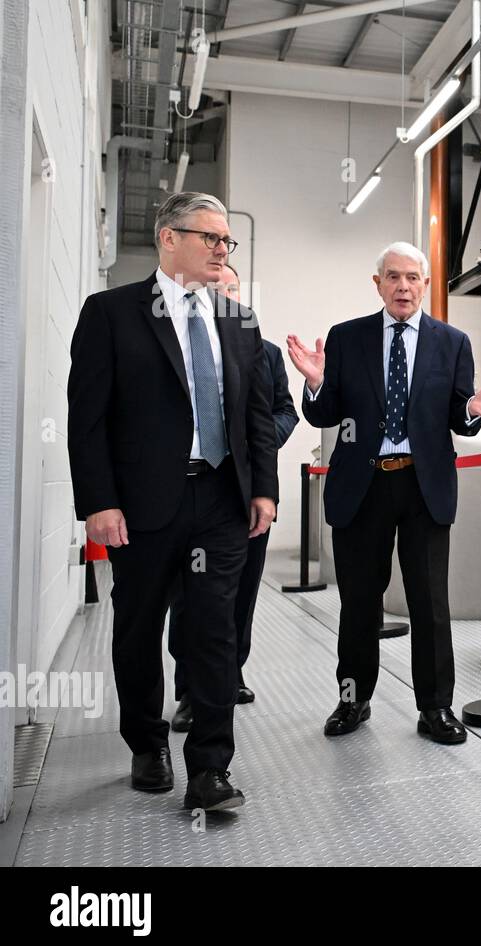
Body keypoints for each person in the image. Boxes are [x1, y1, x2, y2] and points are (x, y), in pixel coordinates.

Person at [68, 192, 278, 812]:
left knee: (215, 630)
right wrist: (98, 502)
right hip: (141, 503)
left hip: (220, 498)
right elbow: (88, 419)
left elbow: (257, 415)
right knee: (137, 629)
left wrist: (262, 487)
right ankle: (146, 742)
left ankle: (210, 767)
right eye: (210, 237)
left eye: (226, 241)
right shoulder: (111, 313)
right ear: (167, 238)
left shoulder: (239, 321)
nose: (222, 249)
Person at [286, 242, 481, 744]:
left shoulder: (451, 342)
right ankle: (353, 700)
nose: (403, 286)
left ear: (426, 284)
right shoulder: (347, 339)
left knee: (430, 603)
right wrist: (319, 384)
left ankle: (435, 708)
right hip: (360, 486)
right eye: (393, 277)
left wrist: (472, 406)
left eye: (413, 277)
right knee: (359, 603)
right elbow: (323, 416)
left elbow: (461, 417)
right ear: (378, 283)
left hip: (422, 486)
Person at [170, 263, 298, 732]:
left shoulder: (261, 351)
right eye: (217, 287)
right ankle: (189, 690)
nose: (225, 296)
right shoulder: (180, 345)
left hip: (246, 492)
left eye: (233, 290)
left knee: (240, 592)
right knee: (191, 596)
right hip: (192, 489)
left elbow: (283, 412)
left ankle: (229, 673)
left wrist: (256, 449)